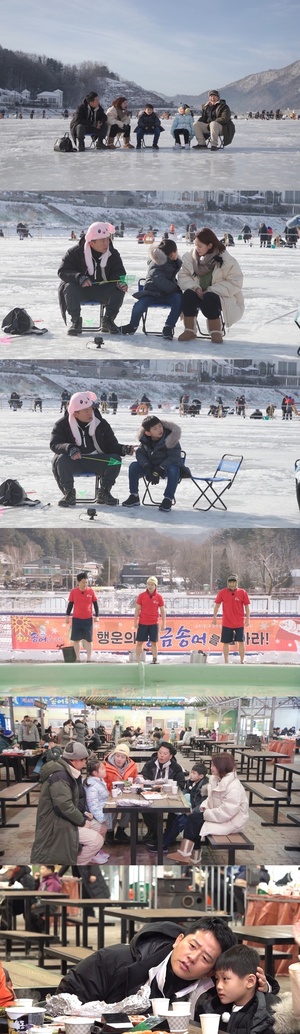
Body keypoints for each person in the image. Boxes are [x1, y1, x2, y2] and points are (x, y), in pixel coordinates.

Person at [57, 916, 274, 1010]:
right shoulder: (114, 961)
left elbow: (248, 1000)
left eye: (205, 959)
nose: (192, 957)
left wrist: (266, 988)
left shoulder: (216, 990)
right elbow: (67, 996)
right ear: (178, 940)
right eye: (192, 946)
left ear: (211, 972)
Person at [50, 389, 134, 507]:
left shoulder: (101, 423)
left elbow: (111, 444)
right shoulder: (62, 424)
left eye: (91, 409)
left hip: (96, 459)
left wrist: (123, 449)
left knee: (115, 459)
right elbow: (55, 444)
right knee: (61, 459)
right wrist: (70, 448)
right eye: (86, 411)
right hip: (73, 461)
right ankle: (69, 493)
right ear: (75, 413)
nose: (90, 413)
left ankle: (104, 491)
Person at [30, 740, 108, 865]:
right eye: (84, 760)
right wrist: (82, 821)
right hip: (55, 823)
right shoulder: (60, 776)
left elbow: (74, 800)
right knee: (96, 840)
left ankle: (89, 855)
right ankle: (75, 864)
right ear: (76, 760)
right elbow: (63, 806)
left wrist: (83, 813)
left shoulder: (70, 772)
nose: (85, 763)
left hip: (65, 817)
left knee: (101, 827)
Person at [167, 753, 249, 864]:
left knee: (194, 820)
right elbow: (209, 799)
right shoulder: (216, 779)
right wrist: (203, 808)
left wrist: (205, 813)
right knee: (193, 819)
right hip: (218, 815)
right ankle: (191, 856)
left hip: (232, 821)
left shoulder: (234, 787)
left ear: (222, 767)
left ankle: (186, 853)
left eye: (214, 765)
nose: (211, 768)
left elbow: (227, 811)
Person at [58, 221, 128, 336]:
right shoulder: (74, 253)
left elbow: (119, 272)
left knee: (119, 288)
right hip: (80, 290)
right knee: (69, 286)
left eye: (108, 239)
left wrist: (120, 282)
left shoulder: (113, 254)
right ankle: (76, 321)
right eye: (102, 241)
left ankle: (108, 320)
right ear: (91, 242)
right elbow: (63, 271)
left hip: (102, 289)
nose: (107, 243)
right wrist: (79, 277)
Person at [177, 228, 244, 342]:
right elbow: (183, 276)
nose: (196, 249)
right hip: (197, 292)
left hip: (220, 295)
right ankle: (189, 330)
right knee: (188, 295)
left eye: (200, 246)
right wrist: (195, 287)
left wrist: (211, 290)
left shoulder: (227, 260)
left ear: (209, 245)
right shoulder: (190, 258)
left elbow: (235, 282)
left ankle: (215, 332)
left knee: (209, 299)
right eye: (195, 245)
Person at [199, 944, 279, 1031]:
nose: (218, 986)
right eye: (217, 979)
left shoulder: (265, 1016)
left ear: (250, 981)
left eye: (225, 979)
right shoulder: (212, 1006)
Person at [122, 413, 188, 513]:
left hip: (166, 469)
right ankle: (134, 496)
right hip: (151, 468)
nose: (159, 430)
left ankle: (168, 499)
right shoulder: (145, 440)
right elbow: (140, 454)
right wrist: (147, 467)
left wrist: (159, 469)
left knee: (174, 469)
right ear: (148, 433)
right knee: (133, 466)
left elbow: (175, 457)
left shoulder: (171, 438)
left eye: (160, 426)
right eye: (155, 429)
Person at [121, 239, 182, 339]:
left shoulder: (173, 263)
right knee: (139, 305)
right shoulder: (155, 263)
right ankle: (132, 325)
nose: (177, 253)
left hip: (167, 294)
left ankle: (168, 327)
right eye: (176, 251)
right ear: (172, 254)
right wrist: (175, 288)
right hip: (152, 293)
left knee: (179, 299)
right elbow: (159, 280)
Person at [140, 741, 185, 850]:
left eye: (165, 754)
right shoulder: (150, 764)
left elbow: (181, 784)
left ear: (170, 756)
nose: (161, 755)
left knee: (175, 810)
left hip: (169, 796)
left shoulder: (176, 767)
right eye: (160, 752)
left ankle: (167, 834)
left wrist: (167, 787)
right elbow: (143, 778)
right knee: (145, 808)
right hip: (151, 794)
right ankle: (155, 833)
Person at [163, 761, 209, 851]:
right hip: (190, 810)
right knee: (175, 820)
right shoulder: (191, 782)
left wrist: (192, 811)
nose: (191, 775)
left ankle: (164, 843)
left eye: (194, 773)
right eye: (191, 772)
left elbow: (204, 803)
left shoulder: (204, 787)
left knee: (180, 822)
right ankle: (163, 841)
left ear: (201, 776)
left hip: (199, 814)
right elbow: (185, 792)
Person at [103, 743, 138, 844]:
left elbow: (134, 780)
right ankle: (109, 832)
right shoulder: (105, 766)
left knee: (130, 807)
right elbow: (102, 783)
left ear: (126, 758)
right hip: (110, 794)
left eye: (122, 757)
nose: (119, 759)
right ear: (114, 755)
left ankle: (121, 830)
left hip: (127, 794)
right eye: (117, 755)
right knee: (113, 808)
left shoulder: (132, 767)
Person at [212, 576, 250, 664]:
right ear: (228, 583)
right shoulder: (222, 592)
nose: (232, 584)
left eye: (233, 582)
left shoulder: (242, 592)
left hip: (239, 622)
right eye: (230, 582)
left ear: (236, 583)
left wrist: (248, 618)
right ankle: (226, 660)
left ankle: (242, 660)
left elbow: (247, 606)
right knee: (226, 642)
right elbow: (217, 605)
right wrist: (214, 617)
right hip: (227, 622)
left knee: (241, 641)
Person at [65, 571, 99, 662]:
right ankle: (78, 658)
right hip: (77, 619)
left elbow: (95, 604)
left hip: (88, 619)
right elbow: (70, 605)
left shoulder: (91, 591)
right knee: (76, 640)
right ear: (78, 582)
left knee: (89, 640)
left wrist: (97, 616)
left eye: (86, 582)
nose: (85, 584)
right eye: (83, 582)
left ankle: (89, 658)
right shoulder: (73, 592)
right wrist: (67, 616)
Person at [133, 576, 166, 662]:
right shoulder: (141, 596)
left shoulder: (159, 597)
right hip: (143, 622)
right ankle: (137, 659)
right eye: (148, 584)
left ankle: (154, 659)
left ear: (155, 586)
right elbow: (137, 609)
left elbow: (163, 610)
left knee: (153, 642)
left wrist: (164, 623)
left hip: (154, 623)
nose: (150, 586)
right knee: (140, 642)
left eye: (152, 584)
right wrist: (135, 621)